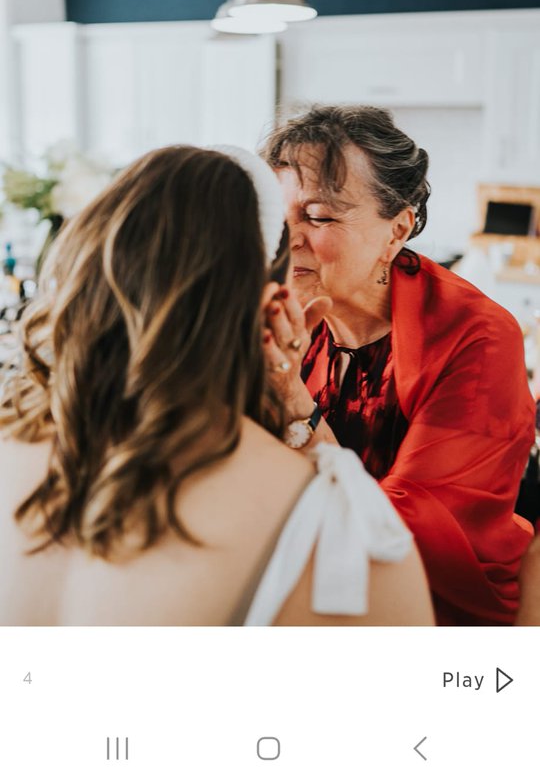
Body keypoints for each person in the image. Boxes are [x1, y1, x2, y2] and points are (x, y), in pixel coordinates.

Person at [0, 144, 432, 627]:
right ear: (275, 308)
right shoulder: (337, 533)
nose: (302, 239)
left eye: (318, 217)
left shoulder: (13, 444)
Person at [262, 105, 536, 626]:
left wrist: (292, 401)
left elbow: (404, 532)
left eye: (318, 216)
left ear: (397, 230)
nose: (288, 238)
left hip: (439, 608)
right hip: (317, 580)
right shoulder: (283, 311)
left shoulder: (477, 336)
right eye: (278, 218)